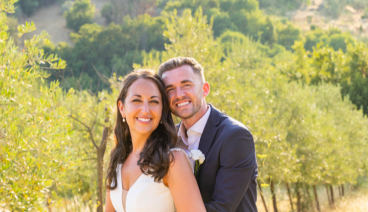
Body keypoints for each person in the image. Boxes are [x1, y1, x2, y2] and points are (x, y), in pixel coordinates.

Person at [158, 57, 258, 212]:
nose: (179, 95)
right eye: (170, 89)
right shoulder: (166, 140)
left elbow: (221, 209)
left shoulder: (235, 137)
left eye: (186, 85)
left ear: (205, 89)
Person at [104, 69, 206, 212]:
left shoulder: (172, 161)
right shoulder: (117, 159)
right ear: (122, 108)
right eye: (136, 100)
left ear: (162, 109)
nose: (145, 110)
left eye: (154, 101)